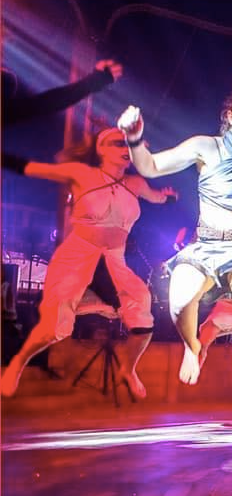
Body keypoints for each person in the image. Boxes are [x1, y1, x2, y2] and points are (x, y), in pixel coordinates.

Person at [116, 36, 232, 395]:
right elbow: (150, 168)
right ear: (229, 116)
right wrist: (134, 140)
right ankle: (192, 346)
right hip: (208, 246)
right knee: (180, 301)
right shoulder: (205, 146)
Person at [1, 127, 176, 398]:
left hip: (113, 261)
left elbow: (158, 198)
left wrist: (167, 196)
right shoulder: (82, 174)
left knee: (143, 321)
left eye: (128, 145)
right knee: (53, 329)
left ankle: (128, 369)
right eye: (118, 143)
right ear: (101, 149)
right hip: (78, 256)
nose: (125, 149)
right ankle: (18, 362)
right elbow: (31, 168)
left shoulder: (136, 183)